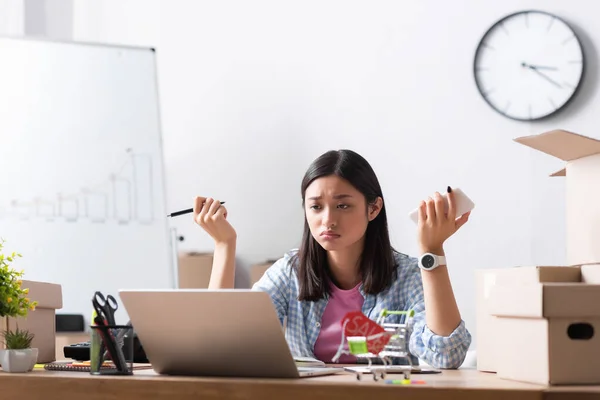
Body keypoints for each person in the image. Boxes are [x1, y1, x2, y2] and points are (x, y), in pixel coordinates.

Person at [192, 149, 472, 369]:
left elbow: (446, 356)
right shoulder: (290, 273)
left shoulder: (406, 276)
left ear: (373, 208)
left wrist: (432, 251)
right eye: (315, 206)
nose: (328, 220)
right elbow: (224, 346)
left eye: (343, 205)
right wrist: (224, 244)